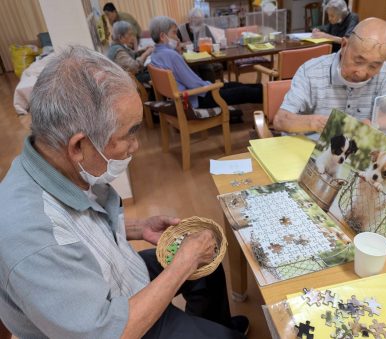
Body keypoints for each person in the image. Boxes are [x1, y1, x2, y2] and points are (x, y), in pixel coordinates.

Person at [0, 46, 248, 339]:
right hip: (117, 327)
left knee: (208, 269)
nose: (135, 145)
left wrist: (135, 228)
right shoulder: (34, 239)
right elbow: (107, 332)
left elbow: (77, 227)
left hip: (117, 277)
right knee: (195, 266)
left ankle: (210, 328)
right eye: (129, 133)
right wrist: (184, 263)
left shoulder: (53, 162)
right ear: (79, 146)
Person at [274, 18, 386, 134]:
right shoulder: (311, 71)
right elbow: (280, 120)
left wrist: (371, 123)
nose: (361, 73)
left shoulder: (385, 72)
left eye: (374, 66)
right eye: (358, 60)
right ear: (344, 45)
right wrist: (315, 123)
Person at [150, 16, 262, 109]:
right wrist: (211, 86)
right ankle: (271, 94)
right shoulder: (172, 55)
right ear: (163, 36)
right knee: (243, 91)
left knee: (236, 85)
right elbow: (193, 84)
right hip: (196, 98)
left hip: (188, 96)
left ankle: (267, 89)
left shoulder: (155, 54)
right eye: (174, 33)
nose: (177, 38)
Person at [177, 7, 224, 83]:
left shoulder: (204, 27)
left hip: (204, 57)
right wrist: (183, 44)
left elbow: (214, 43)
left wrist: (207, 42)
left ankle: (210, 90)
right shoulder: (181, 29)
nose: (198, 25)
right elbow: (176, 45)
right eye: (195, 22)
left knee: (207, 67)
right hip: (188, 60)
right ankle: (201, 90)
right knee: (195, 69)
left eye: (199, 22)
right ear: (189, 19)